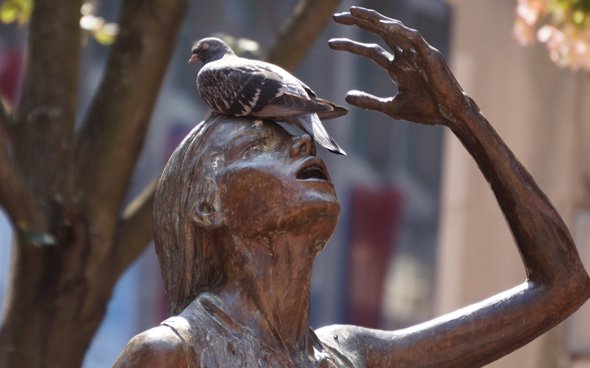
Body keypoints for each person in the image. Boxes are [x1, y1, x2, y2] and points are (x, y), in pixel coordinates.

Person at [114, 7, 590, 368]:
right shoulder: (172, 355)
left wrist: (462, 115)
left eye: (296, 142)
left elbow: (564, 285)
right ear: (207, 204)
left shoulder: (350, 355)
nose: (304, 149)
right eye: (260, 145)